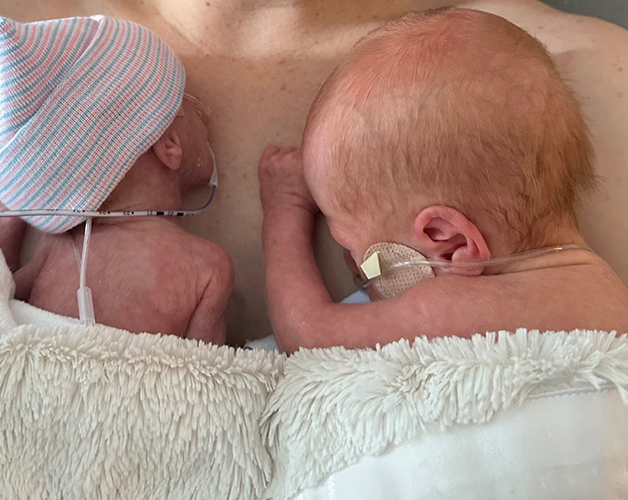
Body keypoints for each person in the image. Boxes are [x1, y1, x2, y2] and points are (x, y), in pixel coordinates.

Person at [0, 0, 625, 344]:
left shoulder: (594, 77)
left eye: (360, 261)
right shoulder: (0, 90)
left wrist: (287, 216)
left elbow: (307, 338)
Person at [258, 8, 628, 353]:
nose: (354, 269)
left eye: (368, 260)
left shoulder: (452, 307)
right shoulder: (609, 292)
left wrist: (284, 211)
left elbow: (308, 334)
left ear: (448, 243)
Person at [0, 16, 233, 343]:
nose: (204, 115)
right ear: (169, 146)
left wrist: (10, 225)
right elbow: (212, 377)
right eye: (188, 102)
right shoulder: (206, 267)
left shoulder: (58, 248)